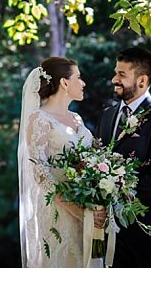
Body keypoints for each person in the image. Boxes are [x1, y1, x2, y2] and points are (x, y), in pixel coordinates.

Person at [18, 56, 105, 268]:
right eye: (79, 77)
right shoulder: (39, 119)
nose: (83, 83)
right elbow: (40, 172)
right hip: (60, 213)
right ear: (64, 83)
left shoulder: (77, 119)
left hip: (88, 209)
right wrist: (75, 209)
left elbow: (92, 159)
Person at [99, 46, 151, 267]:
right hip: (108, 239)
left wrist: (113, 206)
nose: (115, 79)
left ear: (142, 81)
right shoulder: (106, 117)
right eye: (116, 72)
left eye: (122, 74)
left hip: (148, 234)